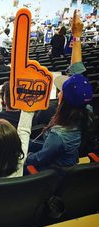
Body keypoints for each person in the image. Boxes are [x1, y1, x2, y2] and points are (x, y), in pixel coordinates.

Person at [26, 10, 94, 172]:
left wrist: (24, 156)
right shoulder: (85, 110)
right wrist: (76, 35)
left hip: (57, 172)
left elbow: (40, 158)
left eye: (61, 91)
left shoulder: (58, 136)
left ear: (64, 100)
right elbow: (77, 71)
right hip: (65, 155)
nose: (59, 92)